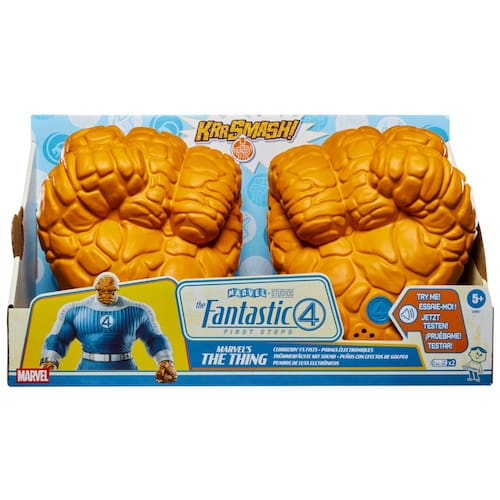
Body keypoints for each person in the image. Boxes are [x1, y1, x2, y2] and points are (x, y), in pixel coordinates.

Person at [40, 272, 177, 383]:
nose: (107, 295)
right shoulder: (75, 310)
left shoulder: (138, 310)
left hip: (125, 369)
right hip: (88, 369)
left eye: (111, 292)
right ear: (97, 289)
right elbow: (58, 338)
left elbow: (154, 338)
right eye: (103, 291)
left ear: (116, 290)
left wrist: (165, 361)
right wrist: (49, 361)